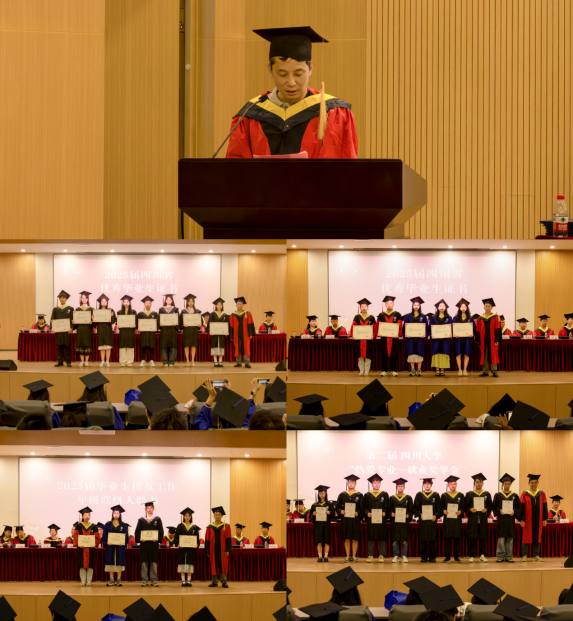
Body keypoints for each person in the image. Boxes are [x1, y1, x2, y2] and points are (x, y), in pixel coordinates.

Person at [226, 26, 358, 159]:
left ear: (311, 68)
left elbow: (343, 166)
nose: (291, 82)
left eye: (298, 74)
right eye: (282, 74)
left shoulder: (333, 113)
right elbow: (236, 166)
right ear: (270, 70)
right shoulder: (250, 115)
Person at [492, 473, 521, 563]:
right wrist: (499, 510)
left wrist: (514, 512)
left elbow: (519, 508)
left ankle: (509, 556)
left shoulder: (515, 496)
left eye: (509, 483)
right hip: (501, 519)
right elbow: (494, 506)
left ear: (511, 484)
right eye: (505, 483)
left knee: (510, 538)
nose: (507, 485)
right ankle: (500, 556)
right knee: (501, 539)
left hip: (510, 520)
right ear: (502, 484)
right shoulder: (498, 495)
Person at [135, 501, 164, 587]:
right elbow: (137, 532)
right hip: (144, 545)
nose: (149, 509)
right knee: (144, 563)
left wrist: (157, 539)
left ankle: (154, 580)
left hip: (154, 545)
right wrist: (140, 539)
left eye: (151, 507)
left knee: (154, 563)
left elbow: (161, 531)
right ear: (145, 509)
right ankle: (144, 580)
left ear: (153, 508)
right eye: (148, 508)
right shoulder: (141, 520)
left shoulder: (157, 520)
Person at [465, 473, 492, 563]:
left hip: (483, 519)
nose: (479, 483)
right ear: (474, 483)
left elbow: (490, 506)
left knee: (482, 537)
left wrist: (486, 510)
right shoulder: (469, 494)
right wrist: (470, 509)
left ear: (483, 483)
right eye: (477, 482)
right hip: (473, 519)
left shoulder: (487, 494)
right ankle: (472, 555)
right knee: (472, 537)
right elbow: (465, 507)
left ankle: (482, 555)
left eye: (480, 482)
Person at [520, 474, 547, 561]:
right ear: (528, 483)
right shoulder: (524, 494)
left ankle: (536, 555)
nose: (534, 484)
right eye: (532, 482)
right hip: (527, 520)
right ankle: (524, 555)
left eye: (535, 482)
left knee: (537, 536)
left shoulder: (542, 494)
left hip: (539, 519)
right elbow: (521, 507)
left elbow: (545, 506)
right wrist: (522, 519)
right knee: (526, 536)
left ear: (538, 483)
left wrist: (544, 519)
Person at [336, 474, 363, 563]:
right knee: (347, 538)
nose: (351, 483)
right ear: (347, 483)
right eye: (349, 482)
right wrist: (341, 511)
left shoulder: (360, 495)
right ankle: (348, 555)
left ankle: (354, 556)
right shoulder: (342, 495)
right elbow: (338, 506)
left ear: (355, 484)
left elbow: (362, 508)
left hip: (355, 520)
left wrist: (358, 513)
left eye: (353, 482)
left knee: (355, 538)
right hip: (346, 520)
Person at [363, 474, 389, 563]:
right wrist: (367, 513)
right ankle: (370, 555)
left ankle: (381, 555)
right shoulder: (367, 495)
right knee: (371, 536)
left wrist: (385, 512)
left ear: (380, 484)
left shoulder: (384, 494)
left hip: (381, 519)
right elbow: (364, 508)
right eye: (374, 483)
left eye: (378, 483)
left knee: (382, 537)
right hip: (371, 519)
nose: (376, 484)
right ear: (371, 484)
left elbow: (387, 506)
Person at [414, 478, 440, 563]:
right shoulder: (419, 495)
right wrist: (420, 514)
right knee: (423, 540)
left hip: (432, 521)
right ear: (423, 484)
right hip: (423, 521)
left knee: (432, 540)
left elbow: (438, 508)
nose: (427, 485)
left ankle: (432, 557)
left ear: (431, 484)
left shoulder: (436, 495)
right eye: (425, 483)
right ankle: (423, 556)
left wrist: (435, 515)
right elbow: (416, 507)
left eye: (429, 483)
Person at [102, 505, 129, 587]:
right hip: (110, 547)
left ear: (120, 514)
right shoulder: (108, 524)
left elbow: (126, 536)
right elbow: (104, 536)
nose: (116, 514)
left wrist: (123, 543)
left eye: (118, 513)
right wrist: (106, 542)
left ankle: (119, 579)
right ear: (112, 514)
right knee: (110, 562)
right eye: (115, 513)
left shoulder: (123, 525)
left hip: (120, 547)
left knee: (119, 562)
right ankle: (111, 579)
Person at [205, 506, 232, 588]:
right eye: (216, 514)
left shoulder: (226, 526)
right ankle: (214, 582)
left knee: (223, 564)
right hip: (212, 549)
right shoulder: (210, 527)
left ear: (221, 516)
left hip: (223, 549)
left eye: (219, 515)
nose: (217, 516)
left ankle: (224, 582)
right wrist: (207, 550)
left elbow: (228, 538)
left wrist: (228, 549)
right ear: (213, 516)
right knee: (213, 564)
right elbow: (207, 539)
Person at [475, 298, 502, 377]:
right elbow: (478, 330)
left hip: (492, 339)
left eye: (489, 306)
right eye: (486, 306)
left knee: (493, 354)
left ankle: (494, 371)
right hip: (483, 340)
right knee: (484, 355)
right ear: (484, 307)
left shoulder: (495, 317)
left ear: (491, 307)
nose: (487, 307)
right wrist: (478, 341)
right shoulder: (480, 318)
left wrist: (497, 339)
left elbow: (498, 328)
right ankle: (485, 371)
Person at [73, 506, 100, 586]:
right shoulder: (78, 526)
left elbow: (97, 537)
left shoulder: (94, 526)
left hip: (91, 548)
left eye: (88, 515)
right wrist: (78, 544)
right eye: (85, 515)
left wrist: (94, 544)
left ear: (90, 516)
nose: (87, 516)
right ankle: (83, 580)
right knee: (82, 565)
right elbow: (76, 535)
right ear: (82, 516)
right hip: (81, 548)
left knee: (90, 565)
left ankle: (88, 581)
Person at [175, 507, 201, 587]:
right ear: (183, 516)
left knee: (190, 563)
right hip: (182, 549)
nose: (187, 517)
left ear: (190, 517)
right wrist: (178, 543)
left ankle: (189, 580)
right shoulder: (180, 526)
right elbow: (176, 537)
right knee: (182, 563)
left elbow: (197, 538)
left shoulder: (194, 527)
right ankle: (183, 580)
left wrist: (196, 544)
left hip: (190, 549)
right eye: (185, 516)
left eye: (188, 516)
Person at [377, 296, 403, 377]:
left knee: (394, 354)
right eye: (387, 303)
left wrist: (398, 333)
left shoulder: (397, 314)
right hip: (384, 338)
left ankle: (393, 370)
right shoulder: (381, 315)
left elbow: (399, 326)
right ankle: (384, 370)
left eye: (390, 303)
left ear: (393, 304)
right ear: (385, 305)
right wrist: (379, 333)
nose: (389, 304)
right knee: (384, 353)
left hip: (393, 338)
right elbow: (378, 326)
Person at [389, 478, 412, 563]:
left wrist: (408, 515)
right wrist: (391, 513)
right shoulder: (392, 498)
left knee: (404, 540)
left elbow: (411, 510)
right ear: (396, 487)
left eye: (402, 486)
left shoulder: (408, 498)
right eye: (398, 486)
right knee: (395, 539)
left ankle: (404, 556)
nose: (400, 487)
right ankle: (396, 555)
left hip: (404, 522)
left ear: (404, 487)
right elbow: (389, 509)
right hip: (395, 522)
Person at [350, 299, 376, 377]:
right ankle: (361, 370)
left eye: (365, 306)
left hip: (368, 340)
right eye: (362, 306)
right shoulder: (357, 317)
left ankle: (366, 371)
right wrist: (353, 335)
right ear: (360, 308)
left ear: (367, 307)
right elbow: (353, 326)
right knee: (360, 356)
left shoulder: (371, 317)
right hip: (359, 340)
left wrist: (373, 335)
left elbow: (374, 328)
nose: (364, 308)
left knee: (368, 356)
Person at [441, 476, 464, 563]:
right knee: (447, 540)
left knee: (457, 540)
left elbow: (463, 507)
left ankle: (456, 557)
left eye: (454, 484)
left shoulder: (460, 495)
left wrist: (460, 511)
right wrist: (443, 511)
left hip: (457, 520)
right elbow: (441, 507)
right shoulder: (444, 495)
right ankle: (447, 557)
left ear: (456, 485)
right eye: (451, 484)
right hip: (448, 520)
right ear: (448, 485)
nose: (452, 485)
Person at [403, 297, 428, 376]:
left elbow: (426, 328)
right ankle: (413, 370)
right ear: (412, 306)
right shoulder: (408, 316)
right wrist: (406, 334)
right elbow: (405, 327)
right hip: (410, 338)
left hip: (420, 339)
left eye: (418, 305)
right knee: (411, 353)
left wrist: (424, 335)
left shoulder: (423, 316)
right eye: (415, 304)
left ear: (420, 306)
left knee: (419, 353)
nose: (416, 306)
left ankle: (419, 369)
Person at [309, 485, 335, 562]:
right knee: (319, 541)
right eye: (320, 493)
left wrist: (329, 512)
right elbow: (310, 518)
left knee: (326, 540)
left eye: (323, 493)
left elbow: (334, 515)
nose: (321, 495)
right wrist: (313, 514)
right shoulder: (314, 505)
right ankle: (320, 557)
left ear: (326, 494)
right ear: (318, 494)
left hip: (326, 524)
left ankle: (326, 557)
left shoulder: (329, 504)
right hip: (318, 525)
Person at [229, 297, 256, 368]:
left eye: (241, 304)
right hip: (236, 334)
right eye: (238, 304)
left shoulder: (247, 313)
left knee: (246, 347)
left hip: (246, 334)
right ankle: (238, 362)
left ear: (243, 305)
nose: (239, 305)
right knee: (237, 347)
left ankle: (247, 362)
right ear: (236, 305)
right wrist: (231, 335)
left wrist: (250, 333)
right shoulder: (232, 315)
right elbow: (231, 326)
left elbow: (250, 323)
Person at [51, 290, 74, 367]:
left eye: (63, 298)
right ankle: (60, 361)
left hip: (67, 331)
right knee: (59, 346)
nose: (62, 299)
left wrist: (72, 328)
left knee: (68, 346)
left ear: (66, 299)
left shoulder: (70, 308)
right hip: (58, 331)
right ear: (59, 299)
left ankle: (68, 362)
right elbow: (52, 319)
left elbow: (72, 319)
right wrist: (52, 328)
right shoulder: (55, 309)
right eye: (60, 298)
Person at [430, 300, 452, 377]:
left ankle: (442, 369)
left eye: (443, 306)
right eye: (440, 306)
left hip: (445, 339)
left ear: (445, 308)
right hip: (436, 339)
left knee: (444, 353)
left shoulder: (449, 318)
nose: (442, 307)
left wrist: (450, 334)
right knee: (436, 353)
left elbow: (451, 328)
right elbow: (430, 327)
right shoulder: (433, 318)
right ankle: (437, 369)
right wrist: (431, 334)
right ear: (437, 308)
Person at [94, 294, 116, 367]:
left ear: (107, 302)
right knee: (102, 347)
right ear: (100, 303)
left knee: (108, 346)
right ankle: (102, 361)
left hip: (108, 329)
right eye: (102, 301)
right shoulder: (97, 311)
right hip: (100, 329)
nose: (104, 302)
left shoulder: (110, 310)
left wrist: (111, 316)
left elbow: (113, 322)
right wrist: (93, 318)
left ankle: (107, 361)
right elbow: (95, 323)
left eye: (105, 301)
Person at [452, 298, 473, 376]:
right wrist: (454, 334)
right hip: (458, 339)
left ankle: (465, 370)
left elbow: (473, 328)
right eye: (462, 307)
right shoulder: (455, 318)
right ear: (459, 308)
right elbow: (453, 328)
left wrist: (472, 334)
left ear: (467, 308)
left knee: (466, 354)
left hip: (467, 339)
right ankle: (460, 370)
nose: (463, 308)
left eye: (465, 307)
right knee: (458, 354)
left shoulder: (470, 318)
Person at [73, 291, 94, 367]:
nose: (84, 299)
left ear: (88, 299)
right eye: (83, 298)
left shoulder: (91, 309)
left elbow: (94, 322)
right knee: (81, 344)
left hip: (87, 329)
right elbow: (75, 322)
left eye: (85, 298)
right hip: (80, 329)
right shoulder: (77, 309)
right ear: (81, 299)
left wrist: (92, 321)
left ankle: (86, 361)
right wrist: (74, 322)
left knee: (87, 344)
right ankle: (82, 361)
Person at [180, 293, 202, 367]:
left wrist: (199, 325)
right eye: (189, 301)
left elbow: (200, 322)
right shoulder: (183, 311)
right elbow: (180, 322)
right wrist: (183, 325)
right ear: (187, 302)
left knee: (193, 345)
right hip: (186, 330)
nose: (191, 302)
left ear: (194, 302)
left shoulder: (197, 311)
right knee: (186, 345)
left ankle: (192, 360)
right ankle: (187, 360)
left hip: (194, 330)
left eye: (192, 301)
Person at [158, 294, 179, 367]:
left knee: (173, 345)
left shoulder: (175, 309)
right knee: (164, 345)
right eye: (167, 300)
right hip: (164, 330)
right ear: (165, 301)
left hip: (173, 329)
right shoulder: (161, 309)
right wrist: (161, 324)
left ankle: (171, 361)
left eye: (170, 300)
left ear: (172, 301)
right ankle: (165, 361)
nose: (169, 301)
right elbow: (159, 320)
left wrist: (176, 324)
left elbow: (177, 320)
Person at [137, 296, 158, 367]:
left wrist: (155, 328)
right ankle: (143, 360)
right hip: (143, 333)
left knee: (152, 347)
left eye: (149, 303)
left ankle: (151, 360)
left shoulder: (154, 313)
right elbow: (138, 324)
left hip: (151, 333)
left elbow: (157, 324)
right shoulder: (140, 314)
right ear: (144, 304)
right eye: (146, 303)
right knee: (143, 347)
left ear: (151, 304)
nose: (148, 304)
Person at [117, 295, 137, 367]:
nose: (126, 303)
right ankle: (123, 361)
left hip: (130, 331)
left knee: (130, 346)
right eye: (124, 302)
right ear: (122, 303)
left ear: (129, 303)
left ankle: (129, 361)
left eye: (127, 302)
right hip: (122, 331)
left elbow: (136, 322)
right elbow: (118, 322)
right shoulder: (119, 312)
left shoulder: (133, 311)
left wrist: (134, 325)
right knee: (122, 346)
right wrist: (118, 325)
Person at [208, 298, 228, 368]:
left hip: (221, 334)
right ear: (216, 306)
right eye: (218, 305)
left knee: (221, 347)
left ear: (222, 306)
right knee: (214, 347)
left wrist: (227, 331)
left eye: (220, 305)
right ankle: (215, 361)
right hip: (214, 334)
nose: (219, 306)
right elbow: (210, 323)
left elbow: (227, 324)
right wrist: (210, 330)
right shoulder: (212, 314)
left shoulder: (225, 315)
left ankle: (220, 361)